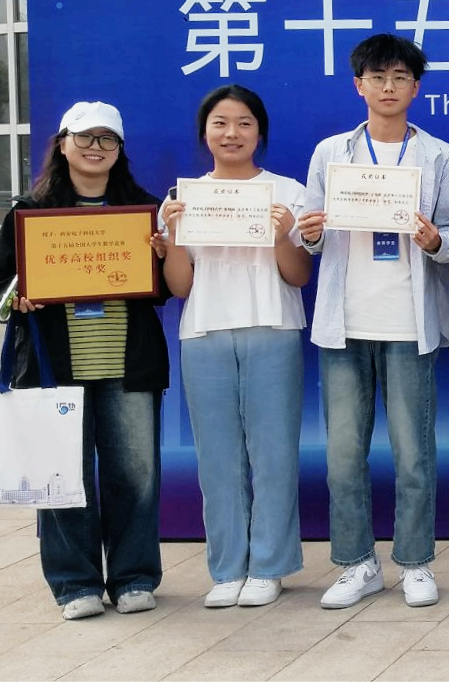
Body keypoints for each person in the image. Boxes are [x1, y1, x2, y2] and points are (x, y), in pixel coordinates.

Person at [0, 102, 170, 620]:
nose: (94, 148)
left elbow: (164, 291)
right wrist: (19, 297)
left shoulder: (143, 211)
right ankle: (74, 584)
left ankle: (133, 577)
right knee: (62, 476)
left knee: (136, 476)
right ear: (62, 144)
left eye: (107, 139)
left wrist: (161, 254)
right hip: (53, 370)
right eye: (84, 137)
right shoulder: (30, 212)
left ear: (120, 151)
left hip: (128, 366)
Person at [299, 34, 449, 609]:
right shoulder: (331, 153)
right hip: (345, 324)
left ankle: (416, 562)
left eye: (399, 78)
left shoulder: (438, 155)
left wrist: (434, 240)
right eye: (378, 78)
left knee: (413, 453)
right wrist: (311, 233)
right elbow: (310, 236)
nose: (388, 87)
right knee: (343, 455)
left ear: (415, 88)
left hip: (409, 325)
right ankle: (357, 563)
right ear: (359, 86)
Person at [156, 86, 312, 609]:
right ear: (205, 132)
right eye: (220, 123)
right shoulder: (180, 200)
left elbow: (298, 276)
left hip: (273, 329)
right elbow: (180, 286)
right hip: (204, 333)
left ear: (259, 132)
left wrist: (282, 236)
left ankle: (269, 566)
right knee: (216, 459)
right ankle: (226, 569)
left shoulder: (288, 193)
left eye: (244, 123)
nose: (232, 133)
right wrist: (175, 236)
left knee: (273, 455)